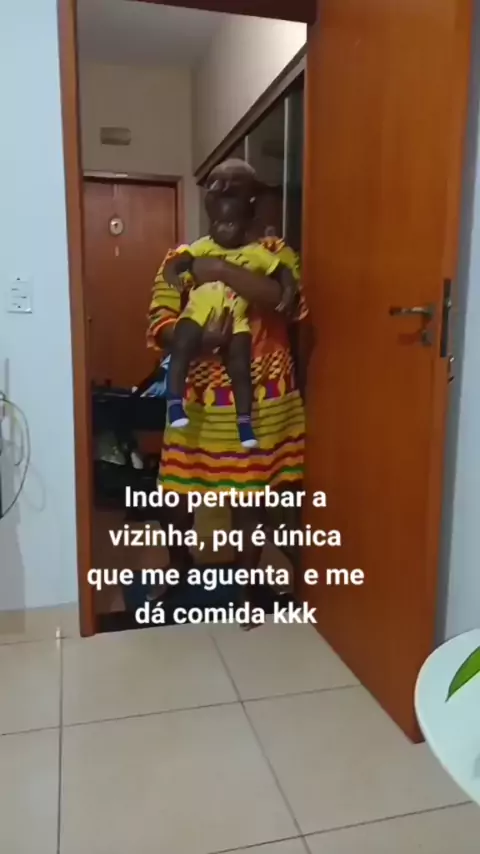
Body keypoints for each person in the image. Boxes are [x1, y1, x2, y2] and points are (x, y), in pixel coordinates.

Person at [147, 159, 311, 621]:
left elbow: (287, 302)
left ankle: (248, 589)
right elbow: (159, 322)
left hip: (261, 403)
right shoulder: (181, 257)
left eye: (234, 191)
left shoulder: (276, 253)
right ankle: (180, 567)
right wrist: (200, 339)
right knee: (174, 497)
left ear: (253, 202)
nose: (222, 198)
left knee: (249, 501)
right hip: (196, 405)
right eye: (215, 190)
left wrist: (217, 268)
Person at [163, 219, 285, 448]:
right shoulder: (203, 245)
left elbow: (282, 273)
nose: (223, 228)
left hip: (237, 317)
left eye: (230, 222)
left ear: (244, 223)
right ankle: (174, 404)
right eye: (218, 222)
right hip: (198, 311)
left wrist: (287, 287)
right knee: (181, 345)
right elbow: (181, 260)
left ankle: (244, 423)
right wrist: (171, 272)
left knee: (240, 369)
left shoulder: (259, 252)